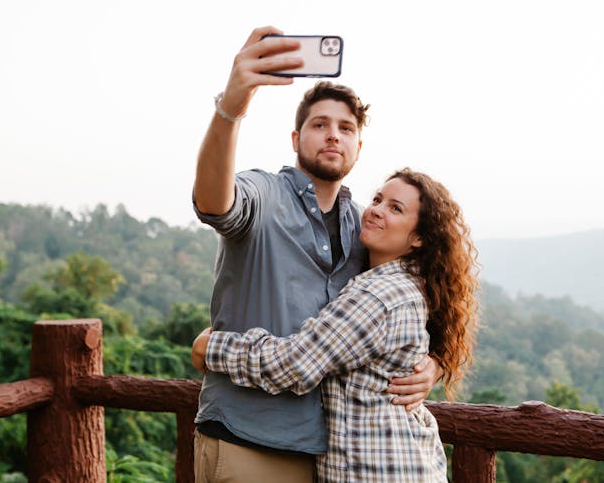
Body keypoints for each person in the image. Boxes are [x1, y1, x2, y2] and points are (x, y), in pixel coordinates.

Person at [192, 26, 441, 482]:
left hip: (325, 453)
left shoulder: (365, 227)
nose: (333, 136)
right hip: (249, 439)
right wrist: (232, 108)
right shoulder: (264, 194)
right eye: (320, 124)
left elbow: (429, 297)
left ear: (359, 147)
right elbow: (213, 201)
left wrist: (434, 364)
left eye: (346, 128)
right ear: (295, 138)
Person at [193, 168, 481, 482]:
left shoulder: (379, 296)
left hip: (381, 472)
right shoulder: (406, 283)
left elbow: (296, 363)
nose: (376, 210)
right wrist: (436, 364)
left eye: (395, 208)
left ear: (419, 237)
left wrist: (213, 347)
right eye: (377, 199)